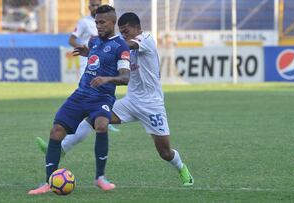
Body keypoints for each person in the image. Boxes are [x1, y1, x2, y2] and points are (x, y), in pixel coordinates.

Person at [37, 12, 194, 186]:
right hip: (130, 102)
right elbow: (112, 53)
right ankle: (62, 149)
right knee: (95, 119)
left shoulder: (146, 39)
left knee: (165, 152)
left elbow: (122, 46)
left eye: (126, 31)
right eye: (122, 32)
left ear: (137, 27)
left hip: (152, 105)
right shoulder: (122, 44)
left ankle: (182, 168)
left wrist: (106, 45)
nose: (124, 35)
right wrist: (91, 52)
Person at [28, 5, 131, 195]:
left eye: (102, 22)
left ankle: (100, 177)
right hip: (81, 94)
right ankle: (48, 182)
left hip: (102, 97)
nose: (98, 26)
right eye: (96, 22)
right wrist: (87, 52)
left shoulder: (121, 47)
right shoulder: (94, 41)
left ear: (113, 22)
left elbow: (125, 77)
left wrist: (107, 79)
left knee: (101, 124)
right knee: (56, 131)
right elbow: (96, 57)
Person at [67, 0, 120, 132]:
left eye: (97, 5)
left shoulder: (106, 21)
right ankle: (97, 118)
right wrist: (80, 47)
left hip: (105, 61)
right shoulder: (84, 22)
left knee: (104, 89)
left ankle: (102, 116)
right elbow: (72, 39)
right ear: (88, 6)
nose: (95, 7)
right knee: (88, 91)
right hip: (88, 60)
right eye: (93, 5)